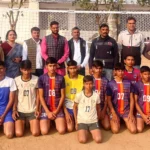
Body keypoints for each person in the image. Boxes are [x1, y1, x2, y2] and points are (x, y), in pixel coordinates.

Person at [12, 60, 40, 137]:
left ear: (31, 69)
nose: (26, 72)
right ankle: (25, 122)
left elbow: (38, 95)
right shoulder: (16, 80)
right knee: (19, 133)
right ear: (21, 69)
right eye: (24, 70)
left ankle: (29, 122)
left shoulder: (36, 79)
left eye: (28, 70)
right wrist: (14, 109)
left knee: (35, 133)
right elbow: (15, 96)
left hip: (32, 110)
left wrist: (37, 109)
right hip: (20, 111)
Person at [38, 57, 66, 135]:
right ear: (46, 66)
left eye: (54, 65)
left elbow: (62, 96)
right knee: (44, 131)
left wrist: (56, 111)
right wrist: (47, 112)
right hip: (46, 108)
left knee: (61, 131)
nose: (52, 68)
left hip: (57, 108)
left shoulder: (61, 78)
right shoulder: (41, 78)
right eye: (50, 66)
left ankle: (54, 121)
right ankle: (50, 121)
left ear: (57, 66)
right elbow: (41, 96)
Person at [106, 63, 136, 134]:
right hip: (115, 110)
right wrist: (113, 113)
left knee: (133, 130)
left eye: (122, 71)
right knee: (115, 130)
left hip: (126, 111)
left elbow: (132, 99)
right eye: (119, 71)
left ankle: (124, 120)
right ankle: (119, 121)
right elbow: (109, 100)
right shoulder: (110, 84)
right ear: (115, 71)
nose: (121, 72)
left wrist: (131, 113)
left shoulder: (128, 83)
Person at [73, 75, 102, 143]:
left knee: (98, 139)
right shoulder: (79, 95)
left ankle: (91, 130)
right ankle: (84, 131)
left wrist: (97, 119)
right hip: (82, 121)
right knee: (82, 140)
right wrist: (76, 121)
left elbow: (98, 108)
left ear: (93, 84)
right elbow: (74, 107)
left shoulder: (96, 95)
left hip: (93, 121)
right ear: (83, 84)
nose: (89, 86)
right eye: (87, 84)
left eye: (90, 84)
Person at [64, 60, 84, 132]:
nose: (73, 70)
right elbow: (61, 97)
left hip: (79, 105)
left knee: (80, 127)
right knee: (70, 128)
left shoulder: (82, 78)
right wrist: (66, 112)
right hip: (68, 105)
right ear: (68, 69)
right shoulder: (64, 79)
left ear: (77, 68)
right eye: (71, 68)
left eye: (74, 68)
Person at [0, 61, 16, 138]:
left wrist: (3, 115)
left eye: (1, 68)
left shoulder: (10, 81)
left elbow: (11, 100)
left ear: (5, 69)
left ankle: (5, 123)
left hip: (7, 110)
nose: (0, 71)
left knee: (9, 134)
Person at [92, 60, 110, 130]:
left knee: (107, 126)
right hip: (92, 108)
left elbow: (106, 97)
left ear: (102, 69)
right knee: (94, 128)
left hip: (102, 107)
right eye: (96, 68)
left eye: (100, 68)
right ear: (93, 68)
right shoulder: (89, 80)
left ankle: (101, 118)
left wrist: (104, 110)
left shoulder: (106, 81)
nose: (98, 70)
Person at [134, 66, 150, 133]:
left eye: (149, 74)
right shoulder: (137, 85)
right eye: (145, 74)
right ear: (141, 74)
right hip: (141, 112)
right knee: (139, 129)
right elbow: (135, 102)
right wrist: (143, 115)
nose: (147, 76)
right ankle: (144, 119)